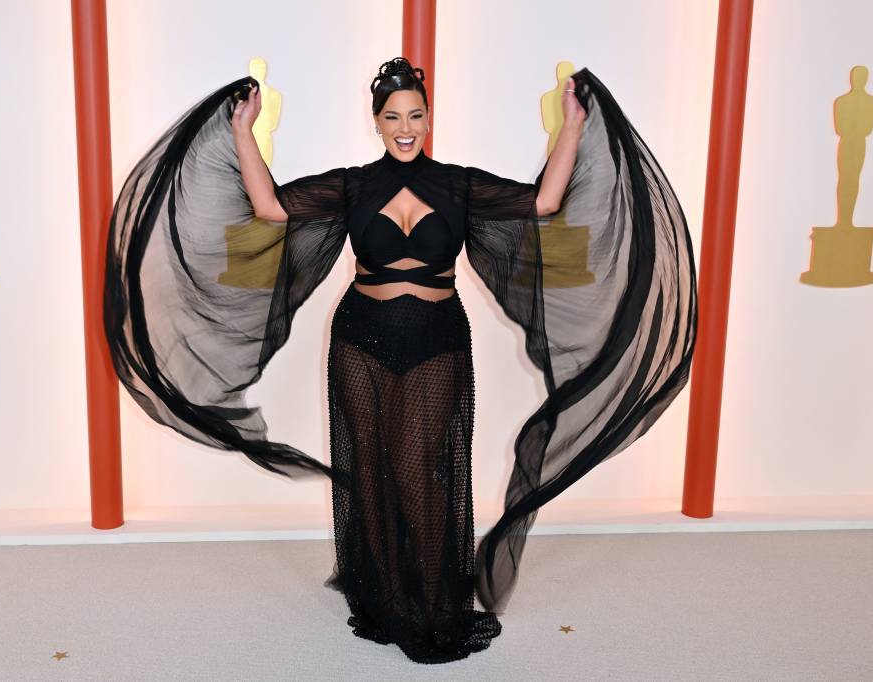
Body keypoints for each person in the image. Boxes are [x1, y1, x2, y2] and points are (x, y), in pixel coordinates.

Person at [104, 57, 698, 664]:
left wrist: (573, 123)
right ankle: (386, 596)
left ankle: (435, 602)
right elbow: (271, 209)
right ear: (377, 123)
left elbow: (544, 202)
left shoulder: (461, 184)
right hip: (359, 340)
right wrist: (241, 131)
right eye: (393, 117)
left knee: (420, 472)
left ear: (429, 118)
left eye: (415, 114)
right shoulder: (354, 184)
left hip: (436, 341)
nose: (405, 126)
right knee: (370, 467)